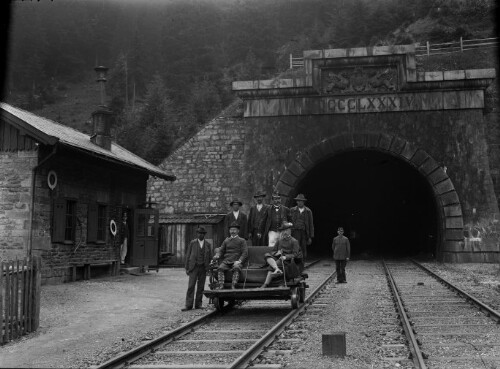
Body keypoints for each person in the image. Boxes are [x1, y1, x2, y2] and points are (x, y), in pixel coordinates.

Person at [261, 222, 301, 288]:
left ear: (289, 231)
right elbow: (273, 251)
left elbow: (295, 254)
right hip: (277, 257)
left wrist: (286, 257)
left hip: (286, 261)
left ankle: (265, 284)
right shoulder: (279, 240)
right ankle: (276, 269)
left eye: (286, 230)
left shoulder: (294, 241)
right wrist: (277, 253)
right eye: (283, 230)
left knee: (274, 264)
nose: (284, 232)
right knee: (267, 255)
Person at [182, 227, 213, 311]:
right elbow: (188, 255)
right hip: (193, 267)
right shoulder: (192, 243)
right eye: (199, 233)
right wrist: (187, 268)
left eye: (202, 233)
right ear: (197, 234)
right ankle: (188, 305)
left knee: (201, 287)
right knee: (191, 286)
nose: (200, 235)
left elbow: (210, 257)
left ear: (204, 235)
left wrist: (209, 268)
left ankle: (198, 304)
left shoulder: (208, 245)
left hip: (203, 267)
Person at [214, 222, 248, 289]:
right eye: (231, 230)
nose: (233, 231)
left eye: (234, 230)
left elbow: (245, 253)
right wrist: (217, 255)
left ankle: (233, 285)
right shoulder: (226, 240)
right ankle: (221, 285)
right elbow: (221, 251)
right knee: (220, 268)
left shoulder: (242, 240)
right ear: (229, 231)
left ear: (238, 231)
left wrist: (239, 261)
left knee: (236, 268)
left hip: (236, 261)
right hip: (227, 261)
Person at [290, 194, 314, 260]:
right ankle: (295, 260)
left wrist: (310, 237)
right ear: (296, 202)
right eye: (298, 201)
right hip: (295, 231)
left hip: (304, 232)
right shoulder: (292, 210)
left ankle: (302, 261)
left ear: (303, 202)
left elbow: (311, 224)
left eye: (301, 201)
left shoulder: (308, 211)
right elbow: (289, 221)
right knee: (295, 246)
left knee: (303, 247)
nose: (299, 202)